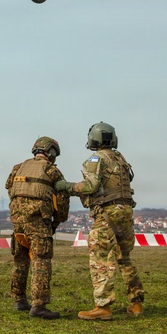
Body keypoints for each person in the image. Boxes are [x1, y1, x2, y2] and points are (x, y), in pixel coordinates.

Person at [56, 122, 144, 320]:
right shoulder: (120, 159)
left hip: (107, 213)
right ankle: (136, 303)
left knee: (101, 259)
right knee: (125, 258)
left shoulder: (96, 158)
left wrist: (67, 186)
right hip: (126, 211)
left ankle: (103, 307)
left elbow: (91, 186)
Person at [4, 136, 70, 319]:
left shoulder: (18, 167)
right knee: (41, 261)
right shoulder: (52, 171)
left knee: (20, 261)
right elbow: (63, 199)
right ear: (51, 152)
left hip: (18, 222)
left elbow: (9, 187)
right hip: (38, 223)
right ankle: (39, 305)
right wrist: (57, 220)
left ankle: (18, 299)